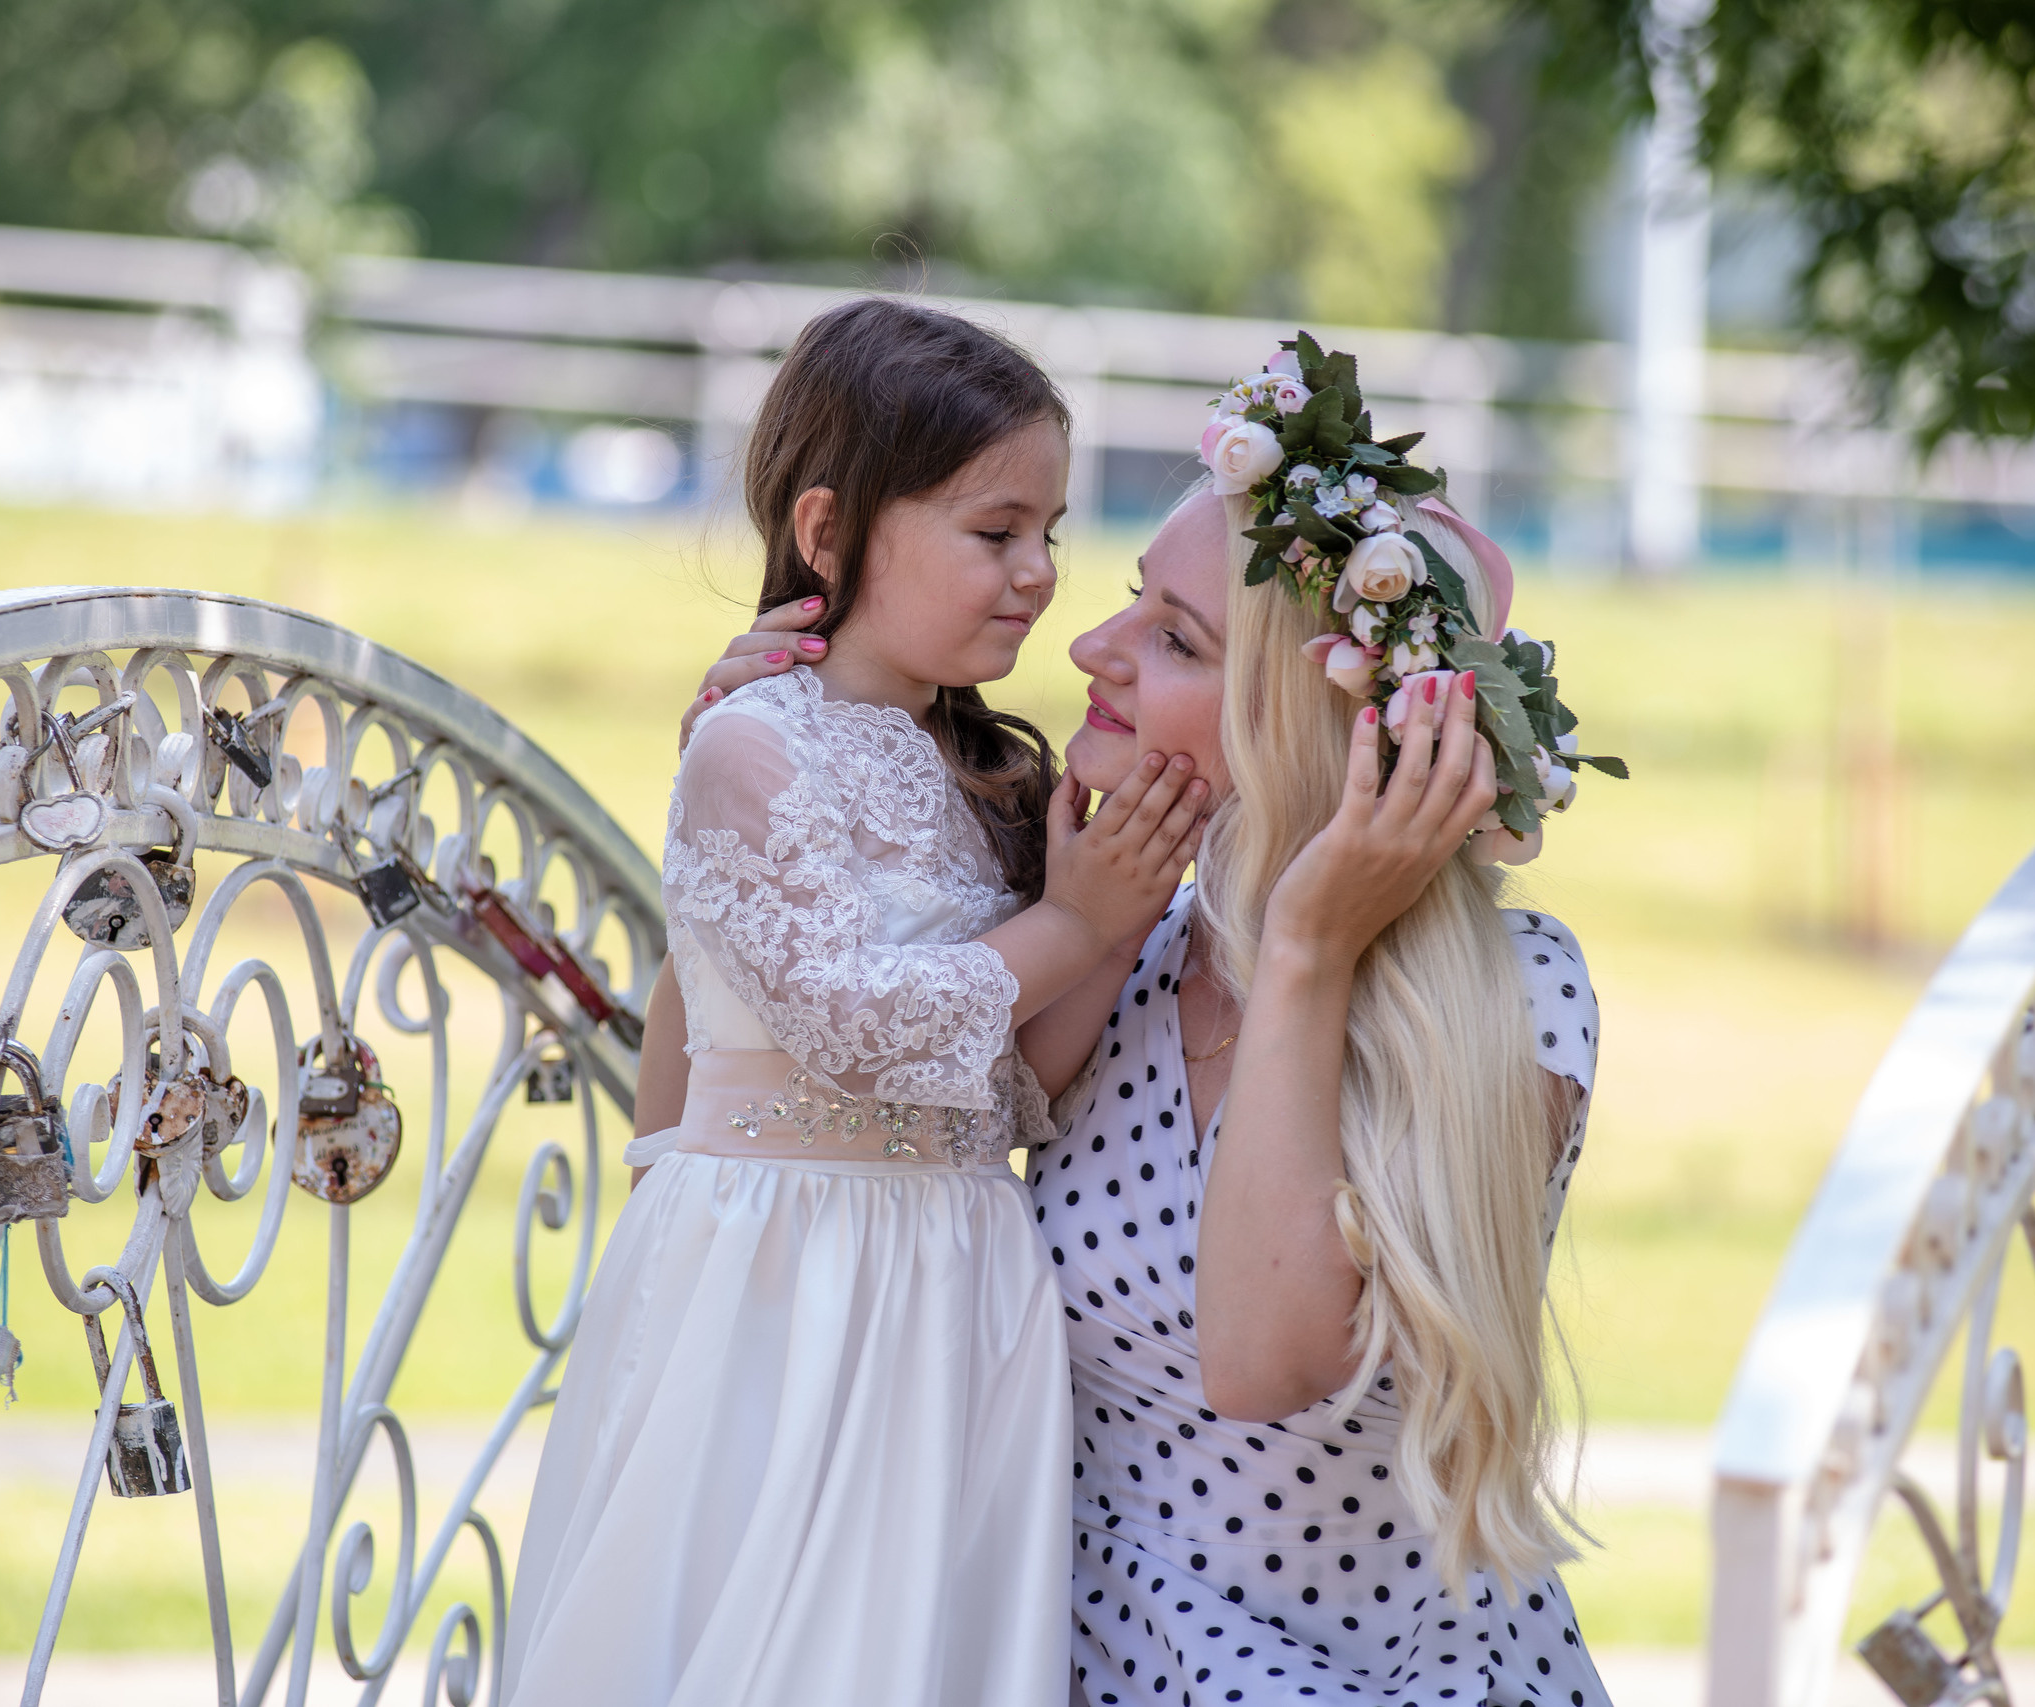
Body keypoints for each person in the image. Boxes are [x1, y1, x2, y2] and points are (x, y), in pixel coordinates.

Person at [670, 336, 1615, 1706]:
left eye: (1173, 640)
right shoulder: (1122, 952)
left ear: (1294, 720)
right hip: (1065, 1660)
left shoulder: (1508, 998)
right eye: (1127, 602)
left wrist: (1304, 952)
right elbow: (721, 1108)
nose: (1084, 645)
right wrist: (739, 810)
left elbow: (1260, 1360)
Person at [500, 297, 1211, 1707]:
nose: (1039, 575)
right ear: (828, 532)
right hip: (788, 1274)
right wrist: (1075, 924)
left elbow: (1025, 1077)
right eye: (995, 531)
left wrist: (1118, 921)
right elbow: (853, 1025)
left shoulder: (995, 775)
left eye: (1052, 533)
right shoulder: (755, 748)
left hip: (955, 1280)